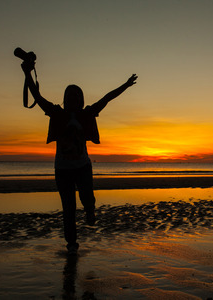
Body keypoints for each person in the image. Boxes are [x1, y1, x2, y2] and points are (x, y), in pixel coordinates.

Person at [21, 60, 137, 255]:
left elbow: (107, 98)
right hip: (62, 169)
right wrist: (26, 73)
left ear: (81, 99)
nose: (73, 98)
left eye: (77, 95)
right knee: (68, 208)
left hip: (83, 167)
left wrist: (125, 85)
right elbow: (37, 96)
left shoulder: (87, 113)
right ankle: (72, 244)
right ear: (65, 99)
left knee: (87, 198)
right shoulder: (56, 113)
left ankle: (90, 210)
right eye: (70, 95)